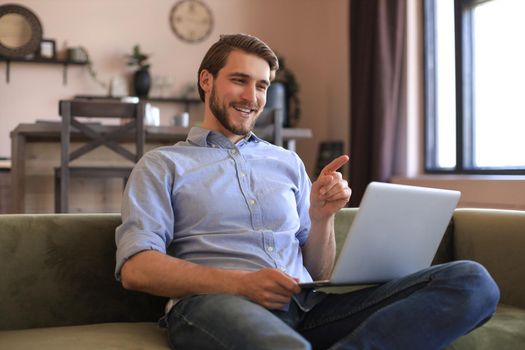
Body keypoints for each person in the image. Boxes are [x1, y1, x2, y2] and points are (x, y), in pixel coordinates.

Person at [115, 34, 499, 350]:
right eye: (239, 80)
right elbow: (136, 268)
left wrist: (321, 217)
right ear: (206, 81)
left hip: (308, 305)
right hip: (214, 305)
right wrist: (241, 283)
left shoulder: (286, 162)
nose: (252, 97)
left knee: (472, 281)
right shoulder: (162, 165)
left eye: (262, 85)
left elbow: (319, 272)